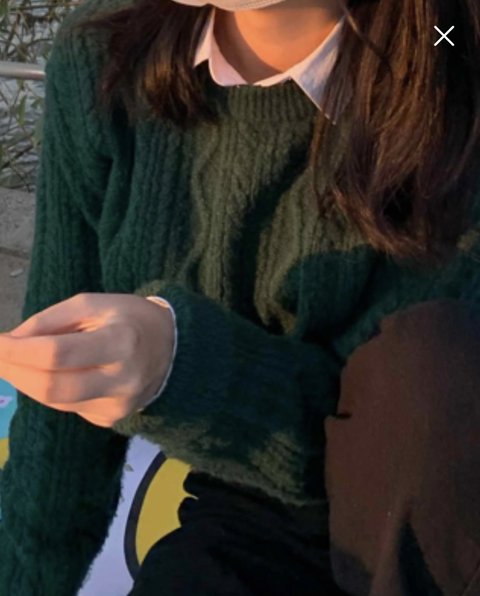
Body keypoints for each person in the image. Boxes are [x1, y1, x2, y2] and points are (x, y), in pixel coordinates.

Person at [0, 0, 479, 594]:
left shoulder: (452, 58)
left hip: (440, 519)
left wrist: (180, 367)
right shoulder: (105, 55)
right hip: (252, 511)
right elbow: (58, 429)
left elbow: (424, 421)